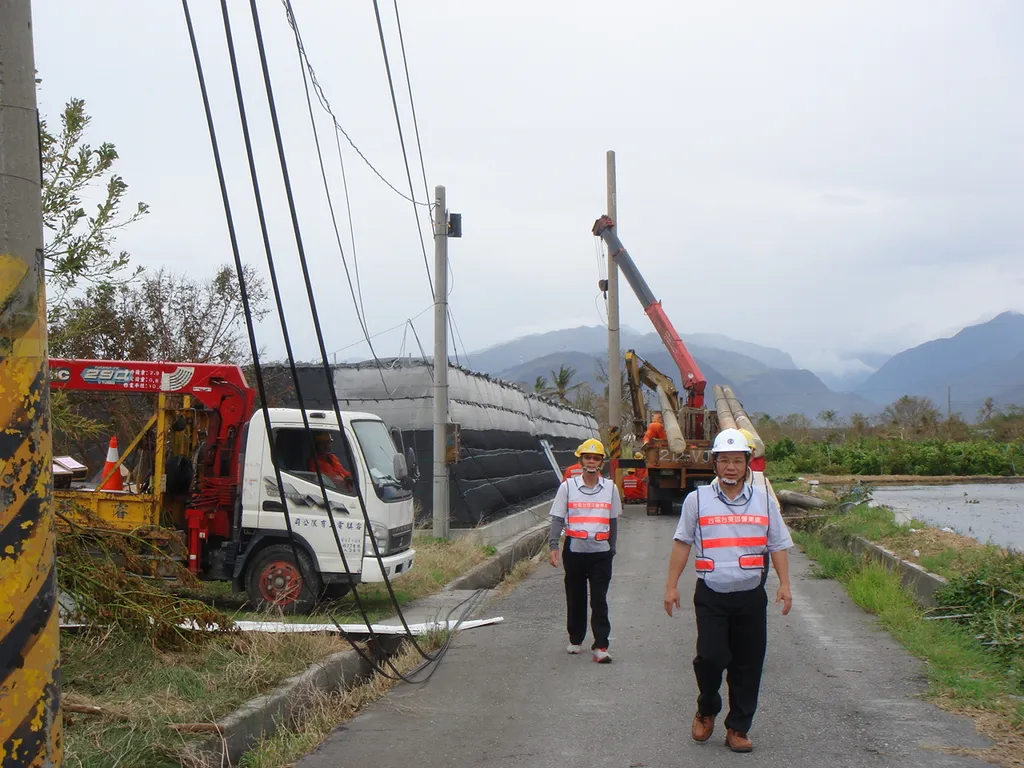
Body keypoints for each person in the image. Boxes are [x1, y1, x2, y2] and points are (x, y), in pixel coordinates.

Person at [663, 428, 793, 753]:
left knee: (748, 663)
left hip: (750, 595)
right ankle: (707, 707)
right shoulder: (697, 500)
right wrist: (671, 586)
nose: (731, 467)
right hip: (712, 594)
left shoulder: (764, 502)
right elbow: (682, 543)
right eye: (725, 461)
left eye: (737, 460)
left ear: (748, 464)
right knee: (711, 657)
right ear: (715, 464)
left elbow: (777, 545)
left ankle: (738, 727)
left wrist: (785, 585)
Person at [548, 437, 621, 663]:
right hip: (575, 551)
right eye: (587, 457)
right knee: (575, 596)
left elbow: (613, 521)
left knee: (599, 599)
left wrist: (612, 548)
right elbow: (558, 518)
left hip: (600, 552)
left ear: (601, 462)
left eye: (596, 458)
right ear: (581, 461)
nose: (591, 462)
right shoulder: (568, 487)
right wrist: (553, 546)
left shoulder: (610, 488)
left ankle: (601, 645)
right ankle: (576, 639)